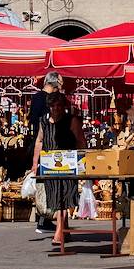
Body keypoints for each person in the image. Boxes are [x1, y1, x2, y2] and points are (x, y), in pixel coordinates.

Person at [32, 91, 83, 250]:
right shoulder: (44, 122)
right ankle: (65, 230)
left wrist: (83, 163)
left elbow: (81, 141)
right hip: (49, 167)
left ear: (64, 106)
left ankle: (59, 233)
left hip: (69, 165)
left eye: (59, 106)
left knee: (64, 197)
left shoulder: (71, 121)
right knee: (55, 198)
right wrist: (35, 163)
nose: (56, 109)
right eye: (53, 106)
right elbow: (39, 142)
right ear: (49, 107)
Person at [27, 72, 62, 234]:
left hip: (41, 146)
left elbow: (32, 120)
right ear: (55, 84)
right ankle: (43, 221)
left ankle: (44, 221)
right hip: (45, 147)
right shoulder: (46, 100)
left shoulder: (36, 98)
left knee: (46, 186)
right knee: (47, 186)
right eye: (60, 84)